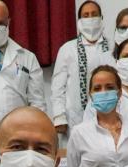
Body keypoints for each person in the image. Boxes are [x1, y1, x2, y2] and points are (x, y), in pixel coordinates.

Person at [50, 1, 111, 135]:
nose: (90, 18)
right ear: (79, 21)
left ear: (101, 19)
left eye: (94, 15)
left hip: (109, 116)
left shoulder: (112, 47)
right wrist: (59, 117)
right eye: (86, 15)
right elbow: (58, 87)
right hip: (74, 120)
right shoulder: (67, 49)